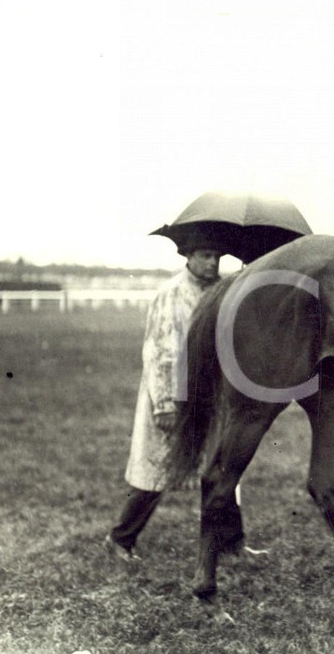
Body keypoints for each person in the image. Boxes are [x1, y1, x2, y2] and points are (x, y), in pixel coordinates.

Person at [105, 237, 262, 561]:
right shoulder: (172, 294)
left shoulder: (221, 289)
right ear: (188, 256)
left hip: (210, 394)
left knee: (219, 466)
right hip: (173, 396)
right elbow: (160, 351)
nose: (212, 263)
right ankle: (120, 539)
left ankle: (231, 543)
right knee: (158, 468)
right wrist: (163, 404)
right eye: (205, 256)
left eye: (217, 256)